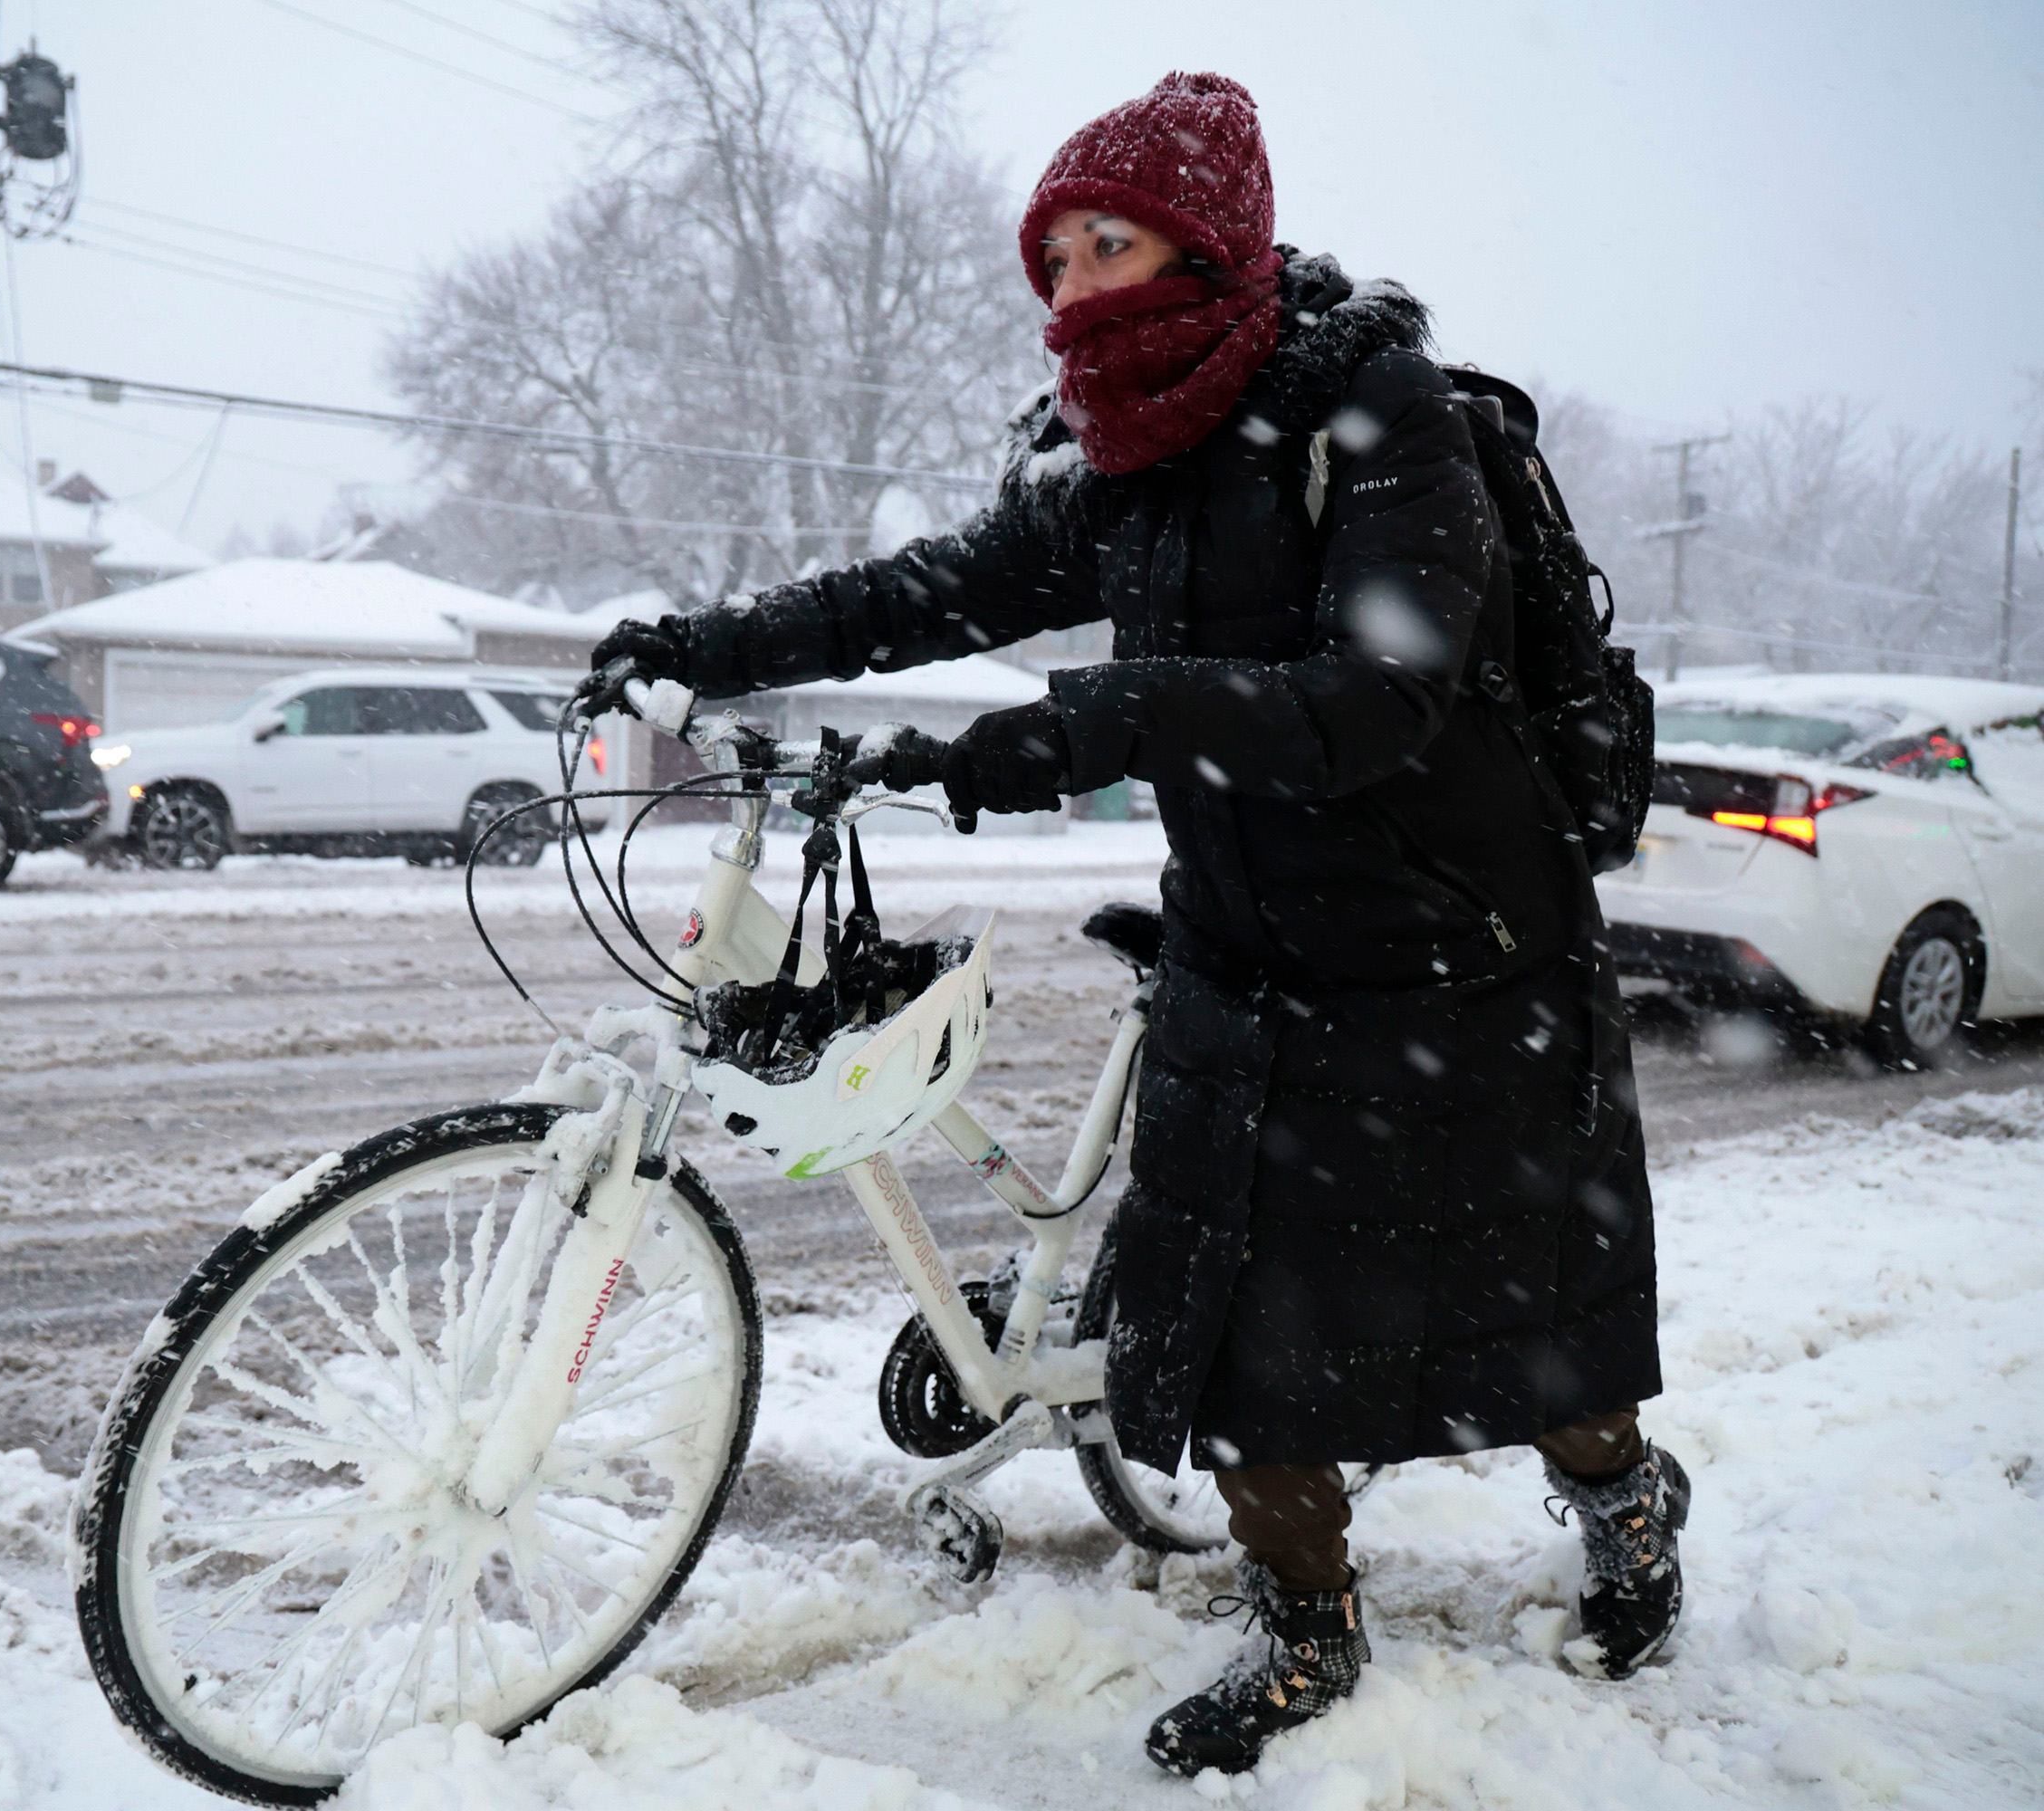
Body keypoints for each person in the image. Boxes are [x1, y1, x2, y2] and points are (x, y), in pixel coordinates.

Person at [584, 72, 1685, 1777]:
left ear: (1211, 240)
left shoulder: (1375, 417)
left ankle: (1623, 1499)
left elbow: (1378, 699)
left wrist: (1094, 720)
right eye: (1060, 252)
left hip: (1457, 956)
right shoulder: (1128, 455)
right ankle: (1307, 1633)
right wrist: (703, 643)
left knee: (1532, 1328)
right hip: (1246, 953)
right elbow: (929, 588)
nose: (1081, 282)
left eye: (1115, 239)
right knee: (1243, 1336)